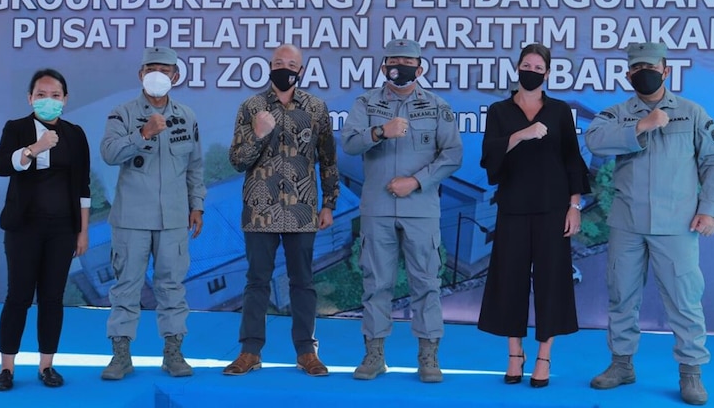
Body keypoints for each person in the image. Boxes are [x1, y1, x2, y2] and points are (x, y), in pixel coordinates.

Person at [585, 42, 714, 406]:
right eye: (636, 69)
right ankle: (621, 365)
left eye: (651, 67)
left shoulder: (692, 113)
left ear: (665, 71)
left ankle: (691, 372)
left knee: (684, 300)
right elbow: (595, 142)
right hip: (627, 223)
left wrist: (710, 209)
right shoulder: (617, 113)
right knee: (621, 296)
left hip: (677, 224)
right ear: (628, 74)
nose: (643, 73)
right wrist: (642, 125)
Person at [341, 38, 463, 383]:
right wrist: (380, 131)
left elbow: (452, 155)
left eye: (407, 61)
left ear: (420, 69)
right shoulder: (366, 103)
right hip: (377, 208)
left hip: (421, 209)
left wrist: (417, 182)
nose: (400, 66)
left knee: (426, 282)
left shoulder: (438, 107)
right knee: (376, 283)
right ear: (383, 68)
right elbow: (349, 144)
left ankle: (428, 355)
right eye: (393, 60)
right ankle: (374, 354)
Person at [477, 43, 590, 388]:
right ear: (518, 68)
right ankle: (515, 354)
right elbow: (489, 157)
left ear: (547, 73)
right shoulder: (499, 110)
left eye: (538, 66)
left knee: (552, 281)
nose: (531, 70)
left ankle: (544, 355)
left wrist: (574, 206)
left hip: (553, 208)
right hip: (512, 207)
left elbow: (572, 160)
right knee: (509, 280)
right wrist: (522, 134)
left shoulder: (558, 112)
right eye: (526, 64)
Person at [224, 44, 339, 377]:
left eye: (291, 64)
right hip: (260, 210)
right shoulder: (252, 107)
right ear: (269, 66)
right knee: (257, 281)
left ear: (301, 71)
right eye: (278, 62)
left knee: (302, 282)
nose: (284, 68)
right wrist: (258, 134)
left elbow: (329, 161)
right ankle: (250, 351)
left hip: (302, 211)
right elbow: (236, 160)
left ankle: (306, 352)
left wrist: (329, 204)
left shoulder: (316, 109)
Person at [99, 47, 206, 380]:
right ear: (140, 74)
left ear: (175, 76)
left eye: (165, 69)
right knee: (126, 289)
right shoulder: (123, 113)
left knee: (172, 288)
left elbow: (195, 166)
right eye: (151, 68)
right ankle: (120, 355)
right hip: (131, 219)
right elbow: (109, 153)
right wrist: (142, 134)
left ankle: (173, 353)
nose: (158, 74)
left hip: (173, 219)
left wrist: (197, 205)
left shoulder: (187, 116)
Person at [0, 69, 91, 391]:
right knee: (17, 297)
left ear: (65, 99)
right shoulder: (16, 128)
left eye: (55, 95)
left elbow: (84, 187)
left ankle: (47, 365)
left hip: (63, 229)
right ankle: (6, 368)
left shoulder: (75, 134)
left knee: (52, 298)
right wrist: (35, 147)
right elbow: (2, 166)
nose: (48, 100)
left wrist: (83, 231)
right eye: (41, 95)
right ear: (30, 98)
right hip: (24, 228)